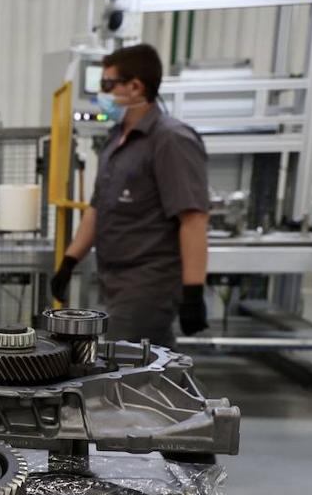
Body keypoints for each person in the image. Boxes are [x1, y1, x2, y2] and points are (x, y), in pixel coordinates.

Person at [50, 44, 210, 347]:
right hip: (113, 280)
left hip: (148, 282)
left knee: (121, 367)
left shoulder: (170, 140)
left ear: (136, 87)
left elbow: (193, 218)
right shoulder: (115, 140)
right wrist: (70, 261)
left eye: (108, 85)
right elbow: (97, 209)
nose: (103, 93)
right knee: (149, 364)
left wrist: (193, 291)